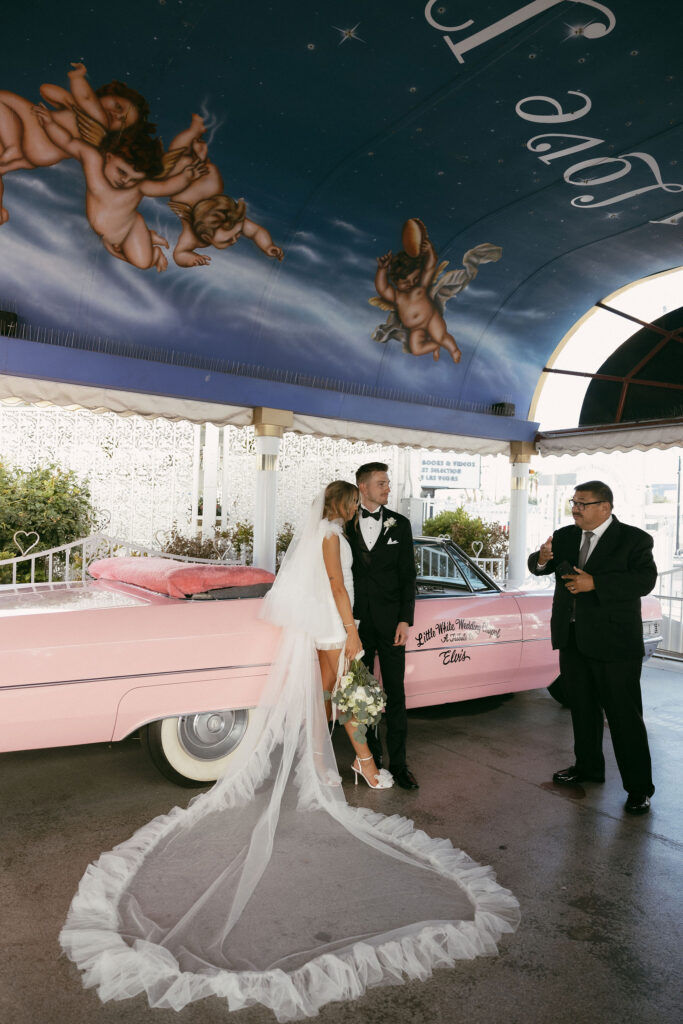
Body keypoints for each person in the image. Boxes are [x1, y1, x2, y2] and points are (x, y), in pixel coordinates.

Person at [59, 483, 519, 1018]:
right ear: (342, 504)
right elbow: (334, 584)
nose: (355, 509)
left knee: (336, 696)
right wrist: (350, 631)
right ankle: (365, 768)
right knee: (348, 693)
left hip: (326, 622)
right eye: (354, 501)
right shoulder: (330, 534)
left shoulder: (326, 531)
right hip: (333, 623)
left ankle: (346, 763)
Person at [528, 480, 657, 815]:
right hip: (572, 640)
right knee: (583, 711)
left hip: (615, 645)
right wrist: (541, 558)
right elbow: (539, 565)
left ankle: (639, 788)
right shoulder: (566, 535)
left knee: (623, 717)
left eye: (583, 503)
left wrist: (595, 583)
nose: (575, 508)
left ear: (605, 507)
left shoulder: (634, 540)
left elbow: (644, 581)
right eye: (574, 502)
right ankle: (588, 768)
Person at [32, 106, 207, 271]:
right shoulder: (93, 161)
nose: (126, 181)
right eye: (122, 171)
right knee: (132, 258)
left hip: (130, 229)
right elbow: (68, 141)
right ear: (109, 156)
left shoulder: (138, 188)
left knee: (143, 263)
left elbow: (164, 187)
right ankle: (148, 238)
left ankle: (154, 251)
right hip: (110, 233)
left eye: (134, 178)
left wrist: (186, 177)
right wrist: (50, 123)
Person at [346, 462, 419, 790]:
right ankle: (370, 758)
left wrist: (405, 619)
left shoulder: (401, 525)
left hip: (392, 624)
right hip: (356, 626)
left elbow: (408, 576)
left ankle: (400, 764)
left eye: (388, 483)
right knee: (362, 695)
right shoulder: (344, 524)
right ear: (363, 487)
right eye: (381, 483)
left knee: (396, 693)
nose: (387, 488)